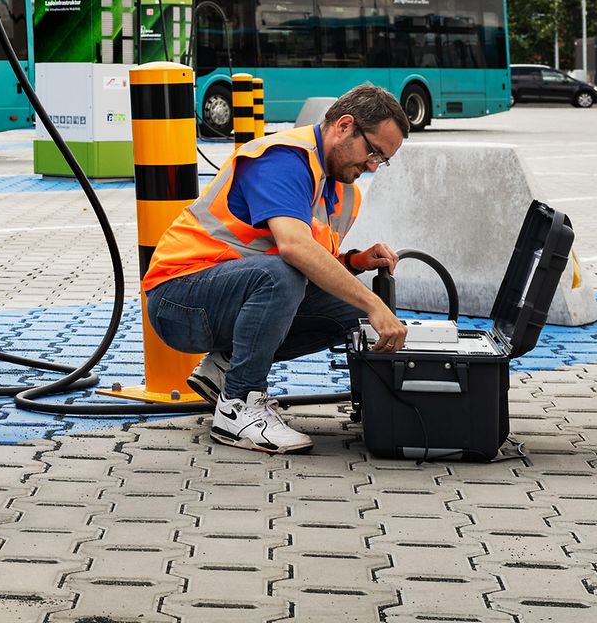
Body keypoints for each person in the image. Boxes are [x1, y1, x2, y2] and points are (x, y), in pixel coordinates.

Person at [141, 84, 410, 454]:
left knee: (348, 311)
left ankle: (226, 367)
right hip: (179, 301)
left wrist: (354, 263)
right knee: (283, 275)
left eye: (383, 160)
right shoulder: (282, 158)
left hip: (227, 296)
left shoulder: (344, 190)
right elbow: (294, 249)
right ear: (345, 126)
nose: (371, 166)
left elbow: (315, 264)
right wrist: (374, 305)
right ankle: (238, 406)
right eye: (374, 152)